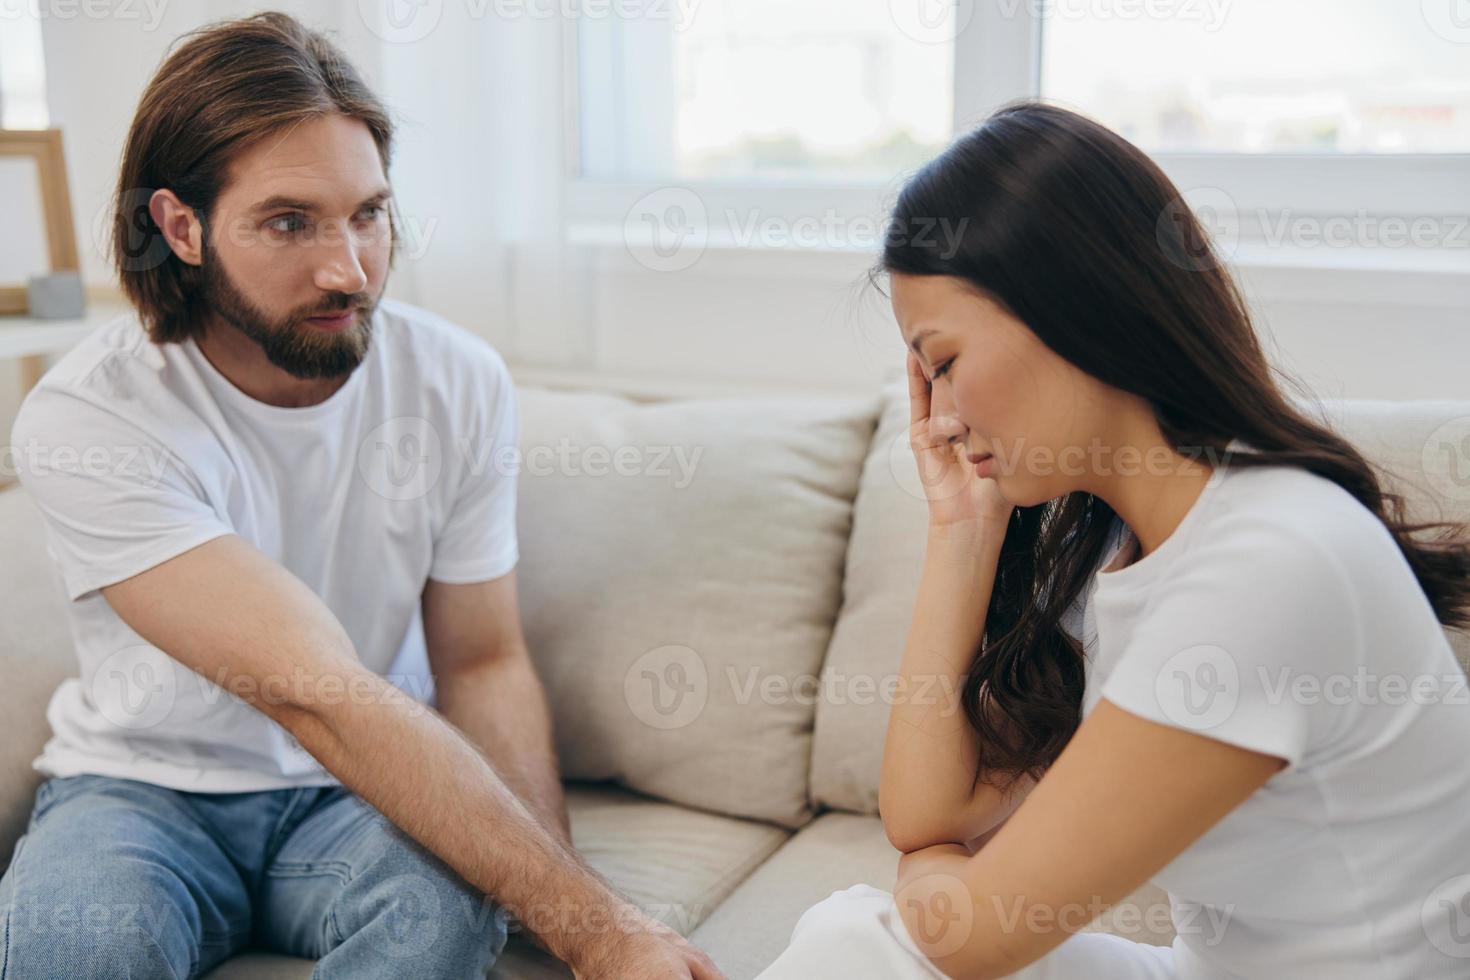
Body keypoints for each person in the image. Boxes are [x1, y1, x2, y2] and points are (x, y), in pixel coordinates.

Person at [0, 13, 723, 980]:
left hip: (363, 799)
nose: (348, 268)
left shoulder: (456, 381)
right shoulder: (91, 416)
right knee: (79, 953)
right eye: (289, 222)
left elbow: (484, 659)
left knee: (450, 919)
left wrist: (559, 910)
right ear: (181, 227)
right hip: (141, 791)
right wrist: (600, 928)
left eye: (370, 214)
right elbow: (317, 688)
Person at [758, 101, 1470, 979]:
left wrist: (937, 887)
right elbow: (927, 815)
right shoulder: (1120, 551)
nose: (938, 419)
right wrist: (963, 526)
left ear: (1070, 308)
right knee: (849, 940)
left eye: (942, 363)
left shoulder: (1270, 563)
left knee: (861, 946)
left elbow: (970, 936)